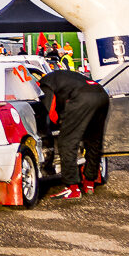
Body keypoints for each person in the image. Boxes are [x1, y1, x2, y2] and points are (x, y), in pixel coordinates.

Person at [39, 68, 111, 200]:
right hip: (101, 94)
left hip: (82, 98)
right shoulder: (64, 75)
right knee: (94, 140)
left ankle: (72, 188)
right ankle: (89, 182)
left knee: (66, 142)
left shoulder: (44, 84)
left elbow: (50, 112)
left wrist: (61, 124)